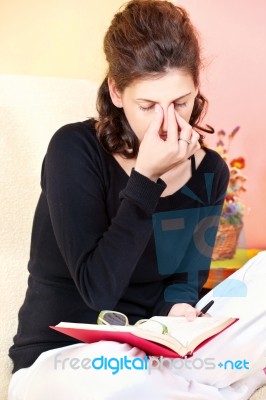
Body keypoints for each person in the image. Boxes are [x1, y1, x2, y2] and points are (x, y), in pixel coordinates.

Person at [8, 1, 266, 399]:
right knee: (117, 371)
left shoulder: (209, 170)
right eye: (147, 106)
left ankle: (188, 383)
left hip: (155, 352)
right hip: (67, 360)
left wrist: (181, 312)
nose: (168, 122)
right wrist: (147, 178)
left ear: (196, 88)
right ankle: (221, 389)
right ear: (116, 91)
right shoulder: (74, 151)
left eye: (180, 103)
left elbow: (186, 281)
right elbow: (99, 290)